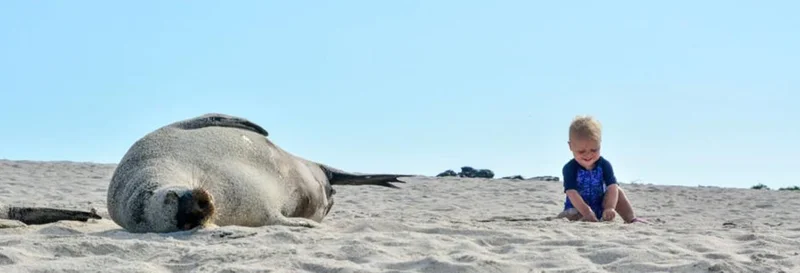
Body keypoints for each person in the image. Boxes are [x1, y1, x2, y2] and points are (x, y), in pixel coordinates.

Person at [556, 115, 646, 224]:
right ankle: (582, 216)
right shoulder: (569, 168)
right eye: (581, 151)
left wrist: (609, 207)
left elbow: (612, 187)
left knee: (617, 190)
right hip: (578, 209)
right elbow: (572, 193)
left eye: (594, 149)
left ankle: (631, 218)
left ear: (600, 143)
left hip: (601, 209)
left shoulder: (604, 165)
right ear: (571, 146)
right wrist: (587, 212)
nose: (588, 155)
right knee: (569, 214)